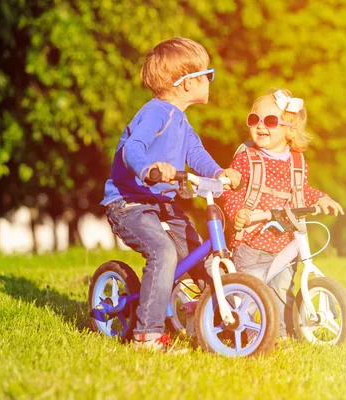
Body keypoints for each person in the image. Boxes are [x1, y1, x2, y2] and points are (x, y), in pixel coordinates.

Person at [101, 37, 241, 353]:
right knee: (164, 252)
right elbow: (132, 149)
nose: (210, 79)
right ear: (185, 83)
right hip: (129, 203)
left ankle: (219, 319)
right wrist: (149, 169)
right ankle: (146, 335)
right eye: (207, 73)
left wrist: (219, 173)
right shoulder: (155, 113)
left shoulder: (181, 120)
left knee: (200, 255)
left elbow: (195, 153)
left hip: (162, 203)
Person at [223, 88, 344, 341]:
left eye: (269, 121)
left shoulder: (297, 162)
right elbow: (230, 191)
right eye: (254, 120)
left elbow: (302, 190)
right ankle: (246, 335)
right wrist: (238, 213)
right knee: (247, 295)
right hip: (250, 242)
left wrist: (322, 198)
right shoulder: (247, 158)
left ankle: (279, 336)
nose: (260, 126)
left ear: (290, 130)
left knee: (281, 289)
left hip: (284, 242)